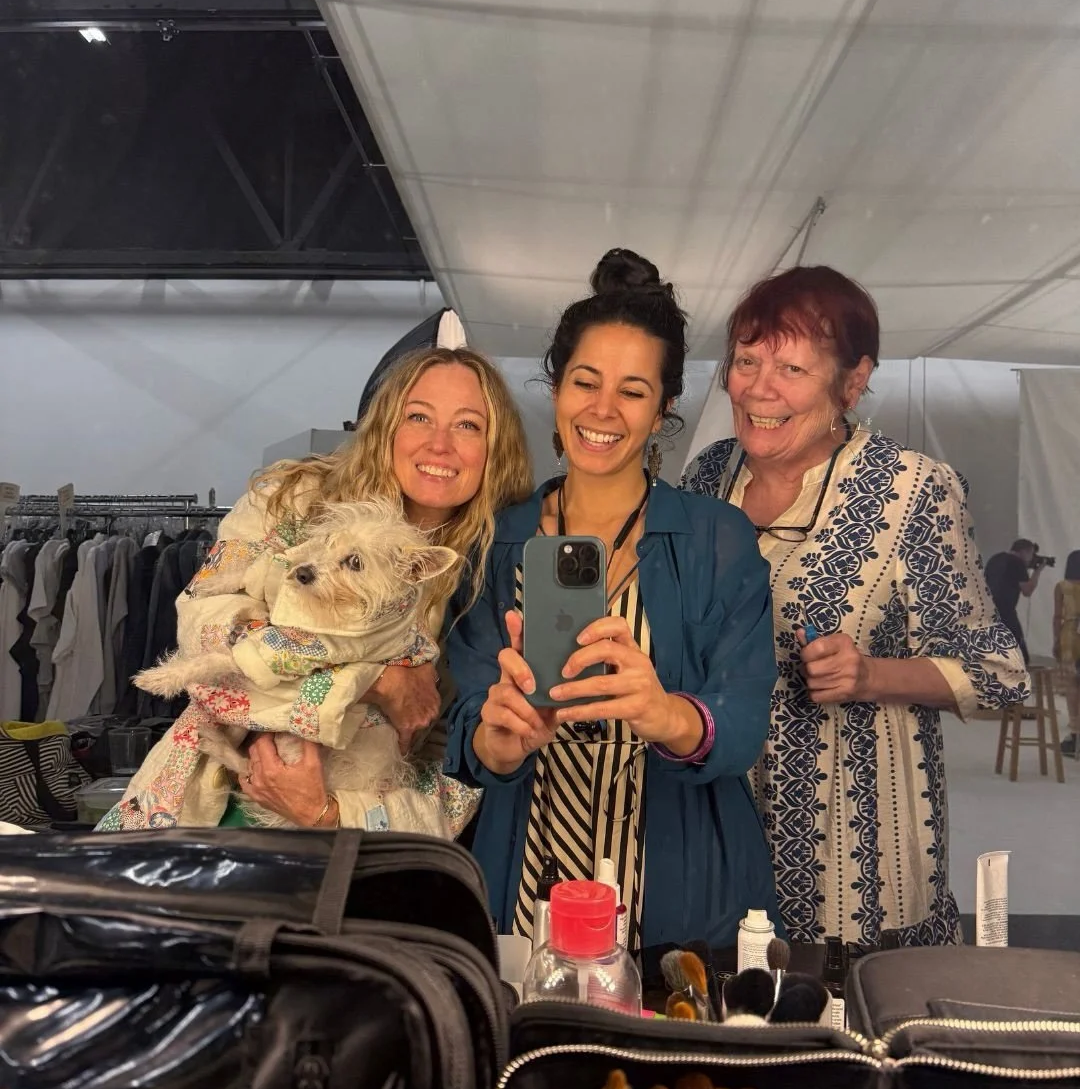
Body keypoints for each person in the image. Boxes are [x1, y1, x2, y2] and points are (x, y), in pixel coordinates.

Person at [444, 249, 780, 955]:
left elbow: (744, 718)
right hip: (525, 873)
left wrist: (670, 716)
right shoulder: (498, 539)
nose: (603, 410)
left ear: (662, 411)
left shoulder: (716, 539)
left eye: (632, 391)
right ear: (557, 391)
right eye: (584, 382)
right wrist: (493, 740)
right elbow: (463, 718)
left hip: (681, 889)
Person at [682, 265, 1028, 947]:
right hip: (717, 824)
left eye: (792, 368)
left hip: (856, 856)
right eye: (746, 361)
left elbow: (999, 673)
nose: (759, 388)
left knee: (851, 1036)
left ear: (853, 380)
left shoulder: (912, 491)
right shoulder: (706, 477)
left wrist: (871, 676)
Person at [99, 345, 533, 832]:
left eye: (467, 425)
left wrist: (327, 814)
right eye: (418, 416)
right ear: (386, 425)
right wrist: (377, 680)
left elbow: (456, 779)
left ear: (495, 447)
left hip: (353, 851)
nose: (440, 444)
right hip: (210, 808)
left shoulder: (489, 574)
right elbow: (205, 626)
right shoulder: (291, 500)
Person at [984, 539, 1044, 664]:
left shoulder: (995, 559)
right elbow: (1027, 591)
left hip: (986, 609)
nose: (1030, 558)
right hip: (1005, 611)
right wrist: (1038, 570)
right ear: (1024, 551)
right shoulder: (1017, 563)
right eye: (1031, 554)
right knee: (1019, 654)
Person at [1054, 550, 1080, 757]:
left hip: (1069, 637)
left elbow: (1057, 617)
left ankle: (1074, 732)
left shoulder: (1062, 587)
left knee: (1072, 687)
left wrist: (1055, 641)